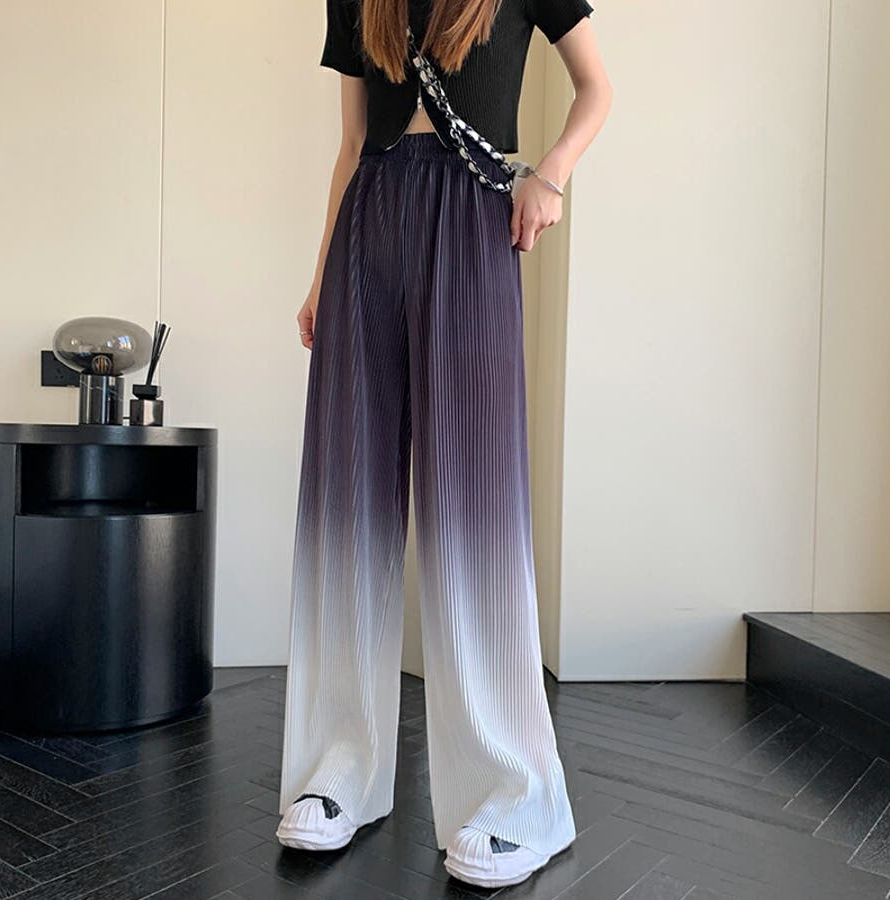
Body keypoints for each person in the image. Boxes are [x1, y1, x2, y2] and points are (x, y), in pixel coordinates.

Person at [276, 0, 612, 889]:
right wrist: (321, 273)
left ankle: (514, 792)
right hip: (371, 224)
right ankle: (340, 768)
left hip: (472, 217)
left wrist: (552, 175)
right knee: (350, 495)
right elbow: (353, 144)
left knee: (473, 499)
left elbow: (597, 87)